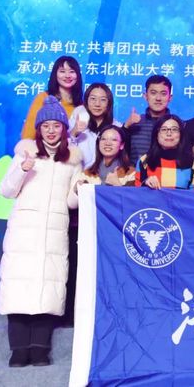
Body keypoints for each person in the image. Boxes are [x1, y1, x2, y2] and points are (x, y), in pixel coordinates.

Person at [0, 96, 83, 367]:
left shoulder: (72, 161)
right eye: (46, 126)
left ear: (64, 129)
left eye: (56, 125)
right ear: (39, 128)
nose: (51, 130)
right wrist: (22, 170)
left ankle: (40, 349)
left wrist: (79, 189)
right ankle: (18, 349)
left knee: (50, 287)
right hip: (24, 232)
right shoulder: (25, 154)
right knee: (18, 286)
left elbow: (71, 202)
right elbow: (6, 190)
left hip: (55, 233)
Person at [64, 125, 134, 326]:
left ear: (122, 145)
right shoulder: (87, 172)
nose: (108, 143)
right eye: (104, 139)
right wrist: (77, 190)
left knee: (116, 279)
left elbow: (132, 205)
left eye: (114, 139)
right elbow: (71, 204)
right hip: (90, 236)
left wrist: (118, 187)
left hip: (117, 237)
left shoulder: (130, 173)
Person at [21, 56, 83, 140]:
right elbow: (28, 135)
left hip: (71, 148)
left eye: (72, 71)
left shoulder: (81, 105)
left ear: (78, 75)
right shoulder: (43, 98)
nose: (67, 76)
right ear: (55, 74)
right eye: (62, 71)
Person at [136, 115, 194, 189]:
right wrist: (145, 183)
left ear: (181, 134)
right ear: (156, 135)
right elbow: (136, 193)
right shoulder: (144, 161)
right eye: (164, 129)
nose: (169, 134)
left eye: (174, 129)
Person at [68, 83, 120, 169]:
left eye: (103, 100)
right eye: (93, 99)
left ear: (109, 103)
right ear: (86, 101)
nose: (97, 104)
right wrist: (74, 133)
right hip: (78, 174)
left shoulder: (116, 127)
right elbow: (63, 152)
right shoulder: (74, 123)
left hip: (107, 175)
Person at [125, 75, 173, 163]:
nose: (158, 98)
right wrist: (126, 127)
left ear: (170, 97)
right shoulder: (134, 123)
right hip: (136, 171)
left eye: (163, 94)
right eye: (153, 93)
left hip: (168, 171)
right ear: (145, 96)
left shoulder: (177, 125)